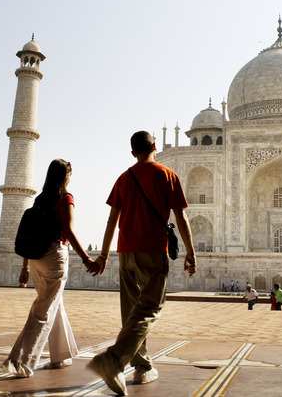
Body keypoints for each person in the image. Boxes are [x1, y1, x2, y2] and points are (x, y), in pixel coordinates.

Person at [86, 131, 196, 396]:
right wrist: (191, 251)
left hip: (125, 252)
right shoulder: (166, 175)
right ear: (155, 146)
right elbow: (180, 217)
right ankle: (113, 361)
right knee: (149, 308)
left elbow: (112, 220)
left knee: (132, 311)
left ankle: (142, 365)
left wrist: (103, 255)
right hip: (152, 250)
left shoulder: (123, 178)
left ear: (133, 152)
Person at [0, 159, 96, 378]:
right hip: (54, 256)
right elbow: (68, 231)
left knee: (54, 306)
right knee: (43, 311)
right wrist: (86, 259)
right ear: (66, 177)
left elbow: (30, 232)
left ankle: (61, 355)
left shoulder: (40, 200)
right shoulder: (66, 198)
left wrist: (24, 267)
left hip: (35, 259)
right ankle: (20, 361)